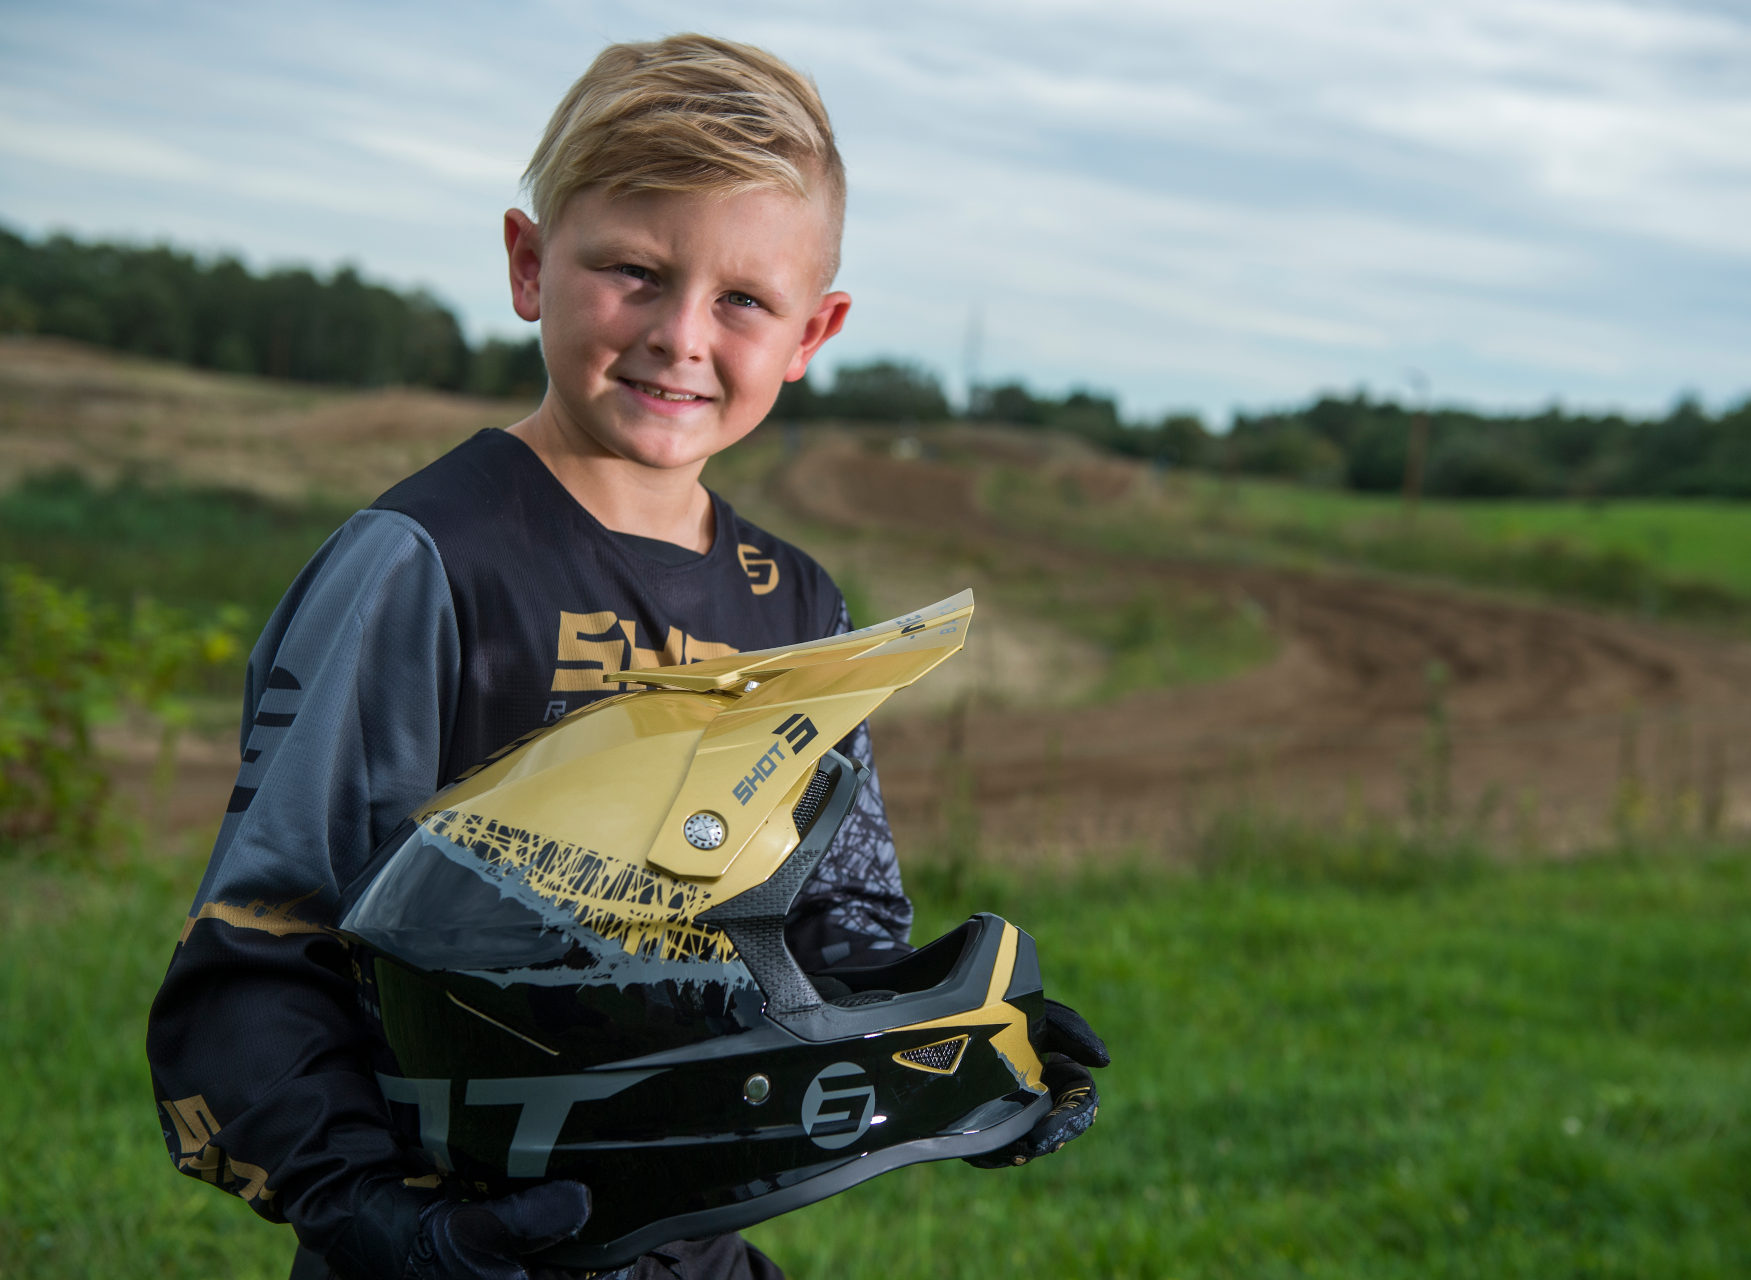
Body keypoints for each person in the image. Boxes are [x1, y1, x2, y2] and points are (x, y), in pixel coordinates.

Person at [146, 33, 1105, 1280]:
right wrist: (372, 1213)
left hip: (685, 1246)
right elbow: (261, 937)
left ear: (814, 331)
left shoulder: (797, 603)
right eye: (636, 273)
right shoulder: (425, 558)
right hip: (446, 1240)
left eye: (743, 300)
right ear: (531, 263)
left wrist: (952, 1055)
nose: (681, 336)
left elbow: (826, 926)